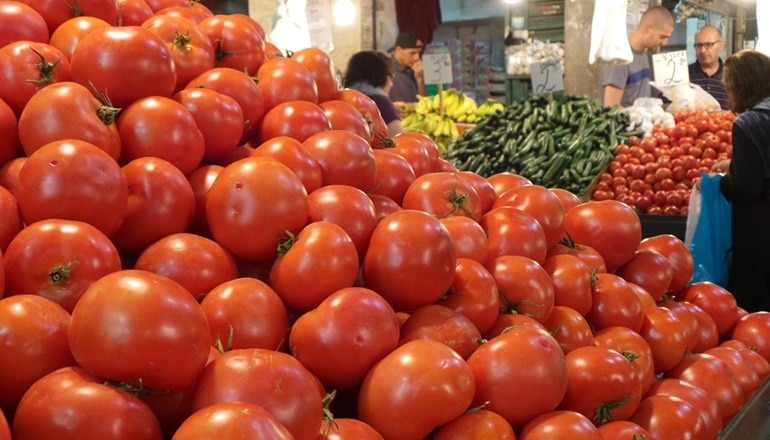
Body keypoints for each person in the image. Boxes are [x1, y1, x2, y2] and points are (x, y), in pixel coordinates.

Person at [711, 50, 770, 313]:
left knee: (757, 304)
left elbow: (746, 188)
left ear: (739, 85)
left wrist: (717, 182)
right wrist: (736, 164)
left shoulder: (748, 122)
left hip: (760, 232)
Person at [601, 6, 675, 108]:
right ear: (647, 30)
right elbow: (611, 106)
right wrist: (640, 116)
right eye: (662, 37)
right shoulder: (619, 58)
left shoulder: (643, 55)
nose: (664, 43)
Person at [343, 50, 403, 137]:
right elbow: (399, 137)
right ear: (381, 76)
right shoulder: (381, 102)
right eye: (389, 76)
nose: (391, 83)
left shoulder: (342, 97)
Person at [689, 25, 729, 110]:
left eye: (708, 44)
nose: (703, 50)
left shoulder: (734, 76)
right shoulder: (683, 74)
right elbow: (664, 105)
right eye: (699, 45)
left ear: (721, 45)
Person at [388, 31, 427, 103]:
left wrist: (420, 80)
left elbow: (424, 104)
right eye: (412, 53)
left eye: (419, 52)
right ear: (398, 50)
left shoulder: (415, 70)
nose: (417, 58)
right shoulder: (386, 69)